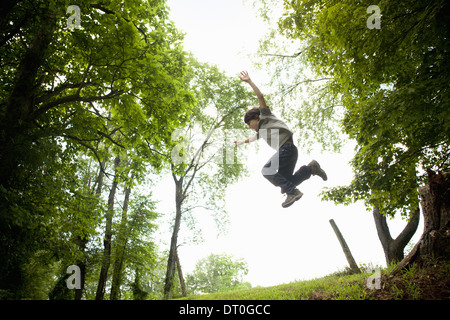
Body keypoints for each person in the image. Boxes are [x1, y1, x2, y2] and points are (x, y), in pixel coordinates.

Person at [234, 71, 328, 208]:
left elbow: (260, 96)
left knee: (266, 170)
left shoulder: (265, 116)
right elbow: (254, 138)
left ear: (255, 117)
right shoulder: (261, 131)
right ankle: (311, 169)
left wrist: (249, 81)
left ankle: (293, 192)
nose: (249, 127)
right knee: (288, 181)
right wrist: (242, 141)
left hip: (287, 149)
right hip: (290, 151)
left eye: (249, 124)